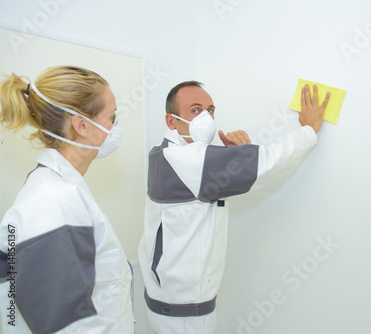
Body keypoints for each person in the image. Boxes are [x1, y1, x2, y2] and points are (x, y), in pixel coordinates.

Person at [138, 80, 330, 333]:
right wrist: (309, 129)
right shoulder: (186, 161)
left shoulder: (163, 154)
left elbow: (206, 176)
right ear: (172, 121)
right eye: (195, 110)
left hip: (171, 304)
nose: (206, 117)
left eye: (210, 110)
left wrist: (230, 156)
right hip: (184, 314)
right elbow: (268, 162)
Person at [0, 66, 134, 333]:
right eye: (112, 117)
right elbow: (64, 325)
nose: (114, 127)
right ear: (82, 125)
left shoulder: (57, 190)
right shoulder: (55, 200)